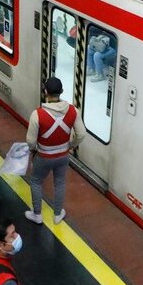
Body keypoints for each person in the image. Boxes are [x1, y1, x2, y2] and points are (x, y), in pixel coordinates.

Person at [24, 77, 86, 225]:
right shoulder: (73, 111)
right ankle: (58, 214)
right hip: (63, 156)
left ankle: (37, 214)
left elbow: (30, 141)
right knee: (59, 183)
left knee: (36, 181)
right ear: (62, 92)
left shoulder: (37, 114)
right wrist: (70, 145)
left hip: (43, 155)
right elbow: (82, 134)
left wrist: (34, 150)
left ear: (45, 92)